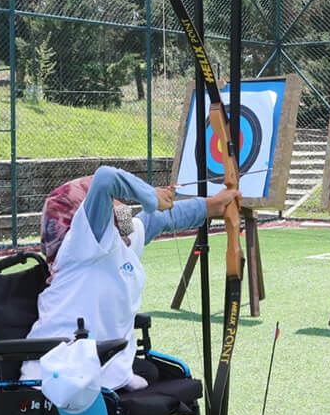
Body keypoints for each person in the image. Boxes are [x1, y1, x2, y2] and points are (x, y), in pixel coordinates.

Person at [22, 165, 239, 393]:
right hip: (57, 376)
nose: (117, 204)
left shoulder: (117, 239)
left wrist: (213, 205)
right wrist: (149, 196)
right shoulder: (80, 244)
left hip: (101, 370)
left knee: (152, 372)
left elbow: (158, 220)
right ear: (84, 216)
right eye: (111, 202)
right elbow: (106, 178)